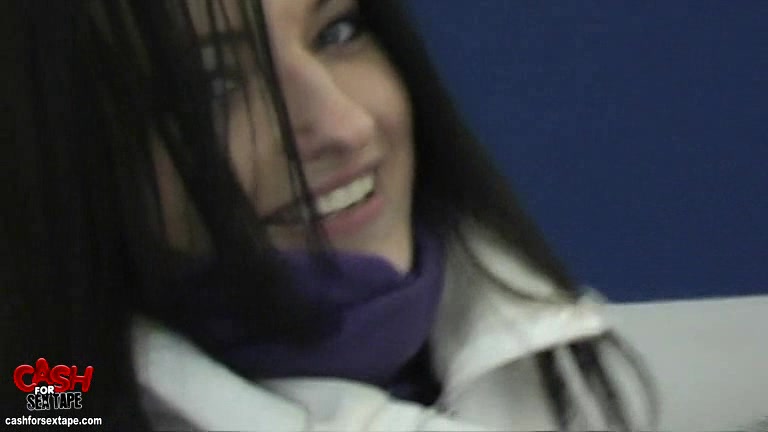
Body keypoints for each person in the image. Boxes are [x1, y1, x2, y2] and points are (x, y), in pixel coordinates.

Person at [2, 0, 656, 429]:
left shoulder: (547, 339)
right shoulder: (53, 400)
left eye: (337, 32)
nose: (346, 125)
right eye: (211, 85)